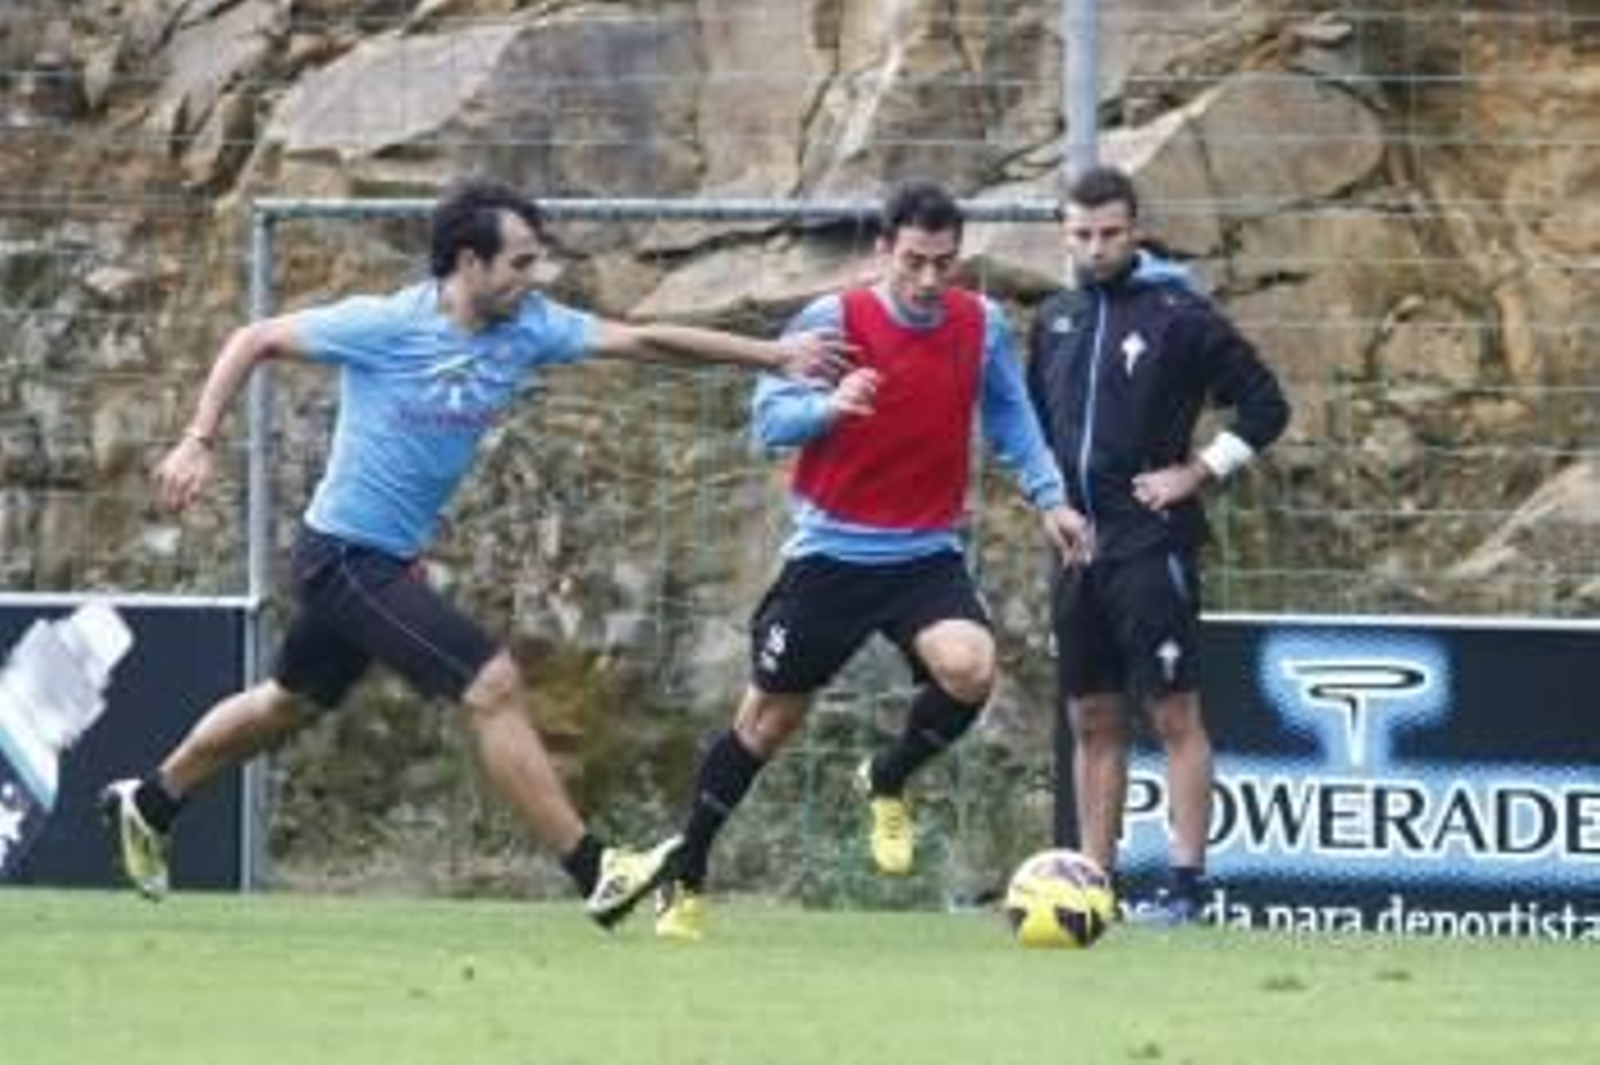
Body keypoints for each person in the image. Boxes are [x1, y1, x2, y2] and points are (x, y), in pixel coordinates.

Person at [100, 177, 852, 928]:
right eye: (519, 262)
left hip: (386, 562)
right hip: (342, 557)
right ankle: (595, 869)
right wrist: (198, 439)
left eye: (537, 262)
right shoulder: (386, 324)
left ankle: (152, 800)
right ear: (468, 262)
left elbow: (643, 340)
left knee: (287, 702)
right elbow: (254, 338)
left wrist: (774, 355)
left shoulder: (531, 326)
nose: (534, 278)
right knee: (489, 683)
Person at [652, 179, 1091, 941]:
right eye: (914, 261)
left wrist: (1050, 496)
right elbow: (768, 425)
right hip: (831, 554)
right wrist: (829, 405)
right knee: (765, 724)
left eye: (943, 263)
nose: (928, 280)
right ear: (883, 249)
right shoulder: (834, 320)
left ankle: (886, 778)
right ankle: (685, 877)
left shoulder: (978, 323)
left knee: (971, 666)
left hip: (925, 553)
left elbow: (1012, 415)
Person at [1025, 164, 1290, 924]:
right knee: (1091, 719)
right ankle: (1093, 885)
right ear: (1063, 234)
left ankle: (1185, 886)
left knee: (1173, 714)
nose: (1096, 247)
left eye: (1110, 233)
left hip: (1151, 542)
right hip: (1077, 547)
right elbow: (1034, 432)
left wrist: (1199, 471)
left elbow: (1268, 405)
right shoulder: (1056, 318)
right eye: (1081, 234)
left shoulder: (1180, 314)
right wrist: (1046, 502)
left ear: (1136, 229)